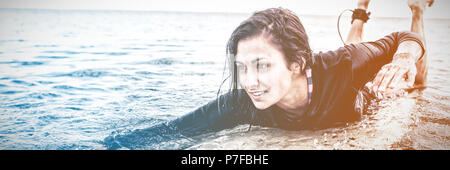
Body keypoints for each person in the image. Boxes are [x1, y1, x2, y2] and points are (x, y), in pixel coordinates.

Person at [104, 0, 432, 149]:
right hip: (343, 69)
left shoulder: (343, 64)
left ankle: (417, 7)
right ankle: (361, 11)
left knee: (417, 82)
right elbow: (172, 131)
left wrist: (403, 59)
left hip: (360, 88)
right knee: (356, 49)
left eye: (262, 65)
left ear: (297, 63)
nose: (250, 82)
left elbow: (404, 38)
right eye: (243, 67)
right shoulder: (241, 103)